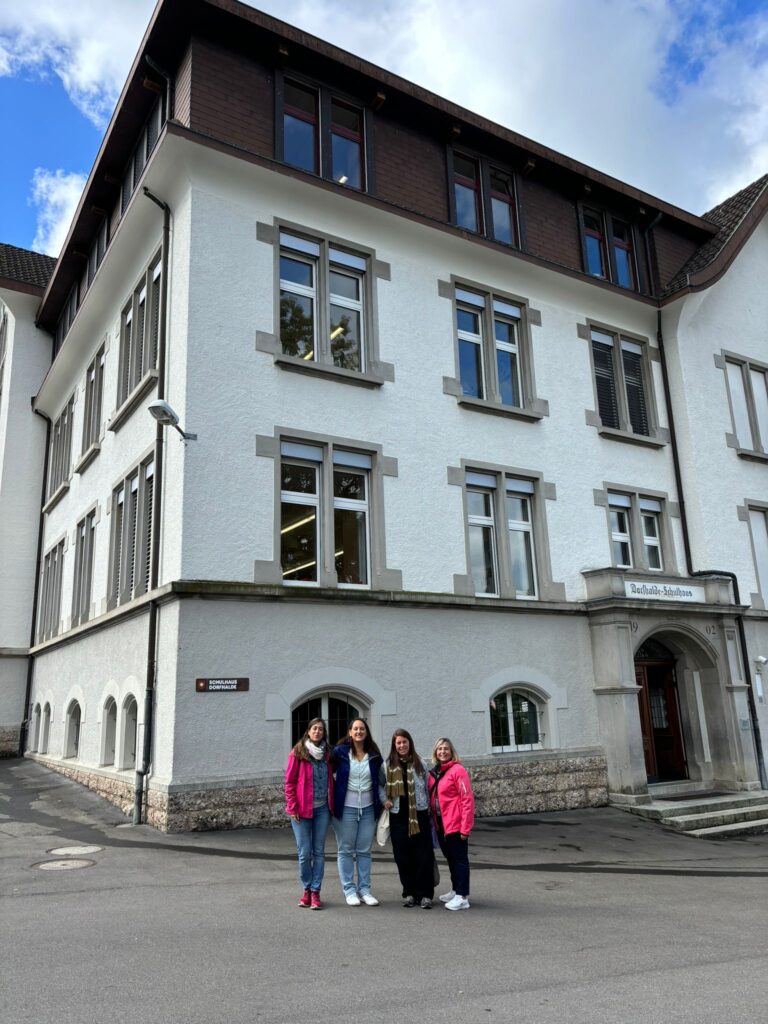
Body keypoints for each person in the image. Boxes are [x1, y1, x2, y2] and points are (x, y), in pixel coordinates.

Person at [331, 718, 383, 906]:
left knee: (364, 851)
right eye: (355, 729)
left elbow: (381, 780)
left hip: (368, 809)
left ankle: (365, 890)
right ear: (350, 732)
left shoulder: (375, 755)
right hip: (345, 809)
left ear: (366, 732)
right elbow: (326, 774)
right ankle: (349, 890)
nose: (359, 731)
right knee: (345, 850)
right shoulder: (339, 752)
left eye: (362, 729)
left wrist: (385, 800)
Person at [380, 728, 435, 908]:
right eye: (399, 743)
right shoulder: (387, 765)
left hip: (419, 815)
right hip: (398, 817)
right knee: (403, 857)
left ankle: (425, 894)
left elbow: (428, 787)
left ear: (410, 743)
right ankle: (409, 893)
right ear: (394, 745)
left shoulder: (420, 763)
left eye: (405, 742)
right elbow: (379, 785)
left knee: (423, 856)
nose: (402, 745)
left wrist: (431, 809)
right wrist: (385, 800)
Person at [284, 717, 334, 910]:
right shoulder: (298, 752)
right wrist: (292, 807)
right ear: (308, 731)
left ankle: (315, 892)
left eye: (321, 729)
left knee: (318, 852)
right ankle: (306, 889)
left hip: (322, 810)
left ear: (324, 733)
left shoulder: (328, 753)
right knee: (304, 853)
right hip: (301, 810)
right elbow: (289, 782)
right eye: (314, 728)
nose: (317, 732)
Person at [428, 737, 475, 911]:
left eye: (446, 749)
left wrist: (465, 827)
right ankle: (456, 890)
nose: (443, 751)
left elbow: (467, 799)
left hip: (455, 823)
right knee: (451, 858)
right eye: (439, 749)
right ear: (435, 752)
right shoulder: (435, 773)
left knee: (460, 859)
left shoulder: (458, 770)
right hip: (440, 823)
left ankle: (462, 896)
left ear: (451, 751)